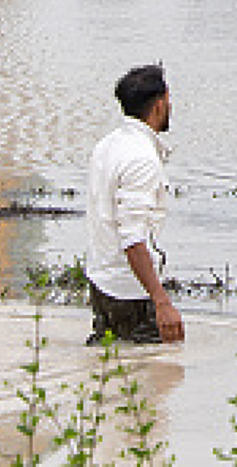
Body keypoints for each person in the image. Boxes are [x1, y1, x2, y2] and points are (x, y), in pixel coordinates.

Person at [85, 65, 183, 346]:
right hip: (130, 293)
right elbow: (133, 238)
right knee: (160, 377)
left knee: (115, 371)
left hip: (101, 282)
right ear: (160, 103)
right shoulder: (142, 159)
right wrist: (162, 301)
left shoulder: (107, 146)